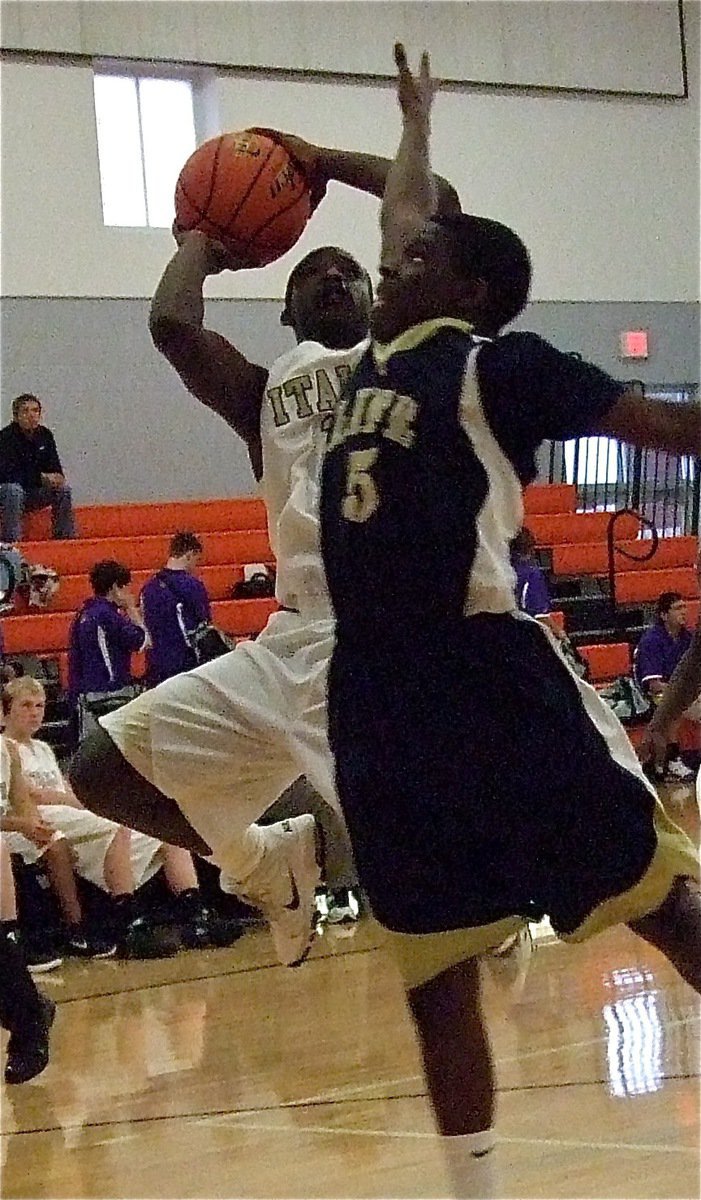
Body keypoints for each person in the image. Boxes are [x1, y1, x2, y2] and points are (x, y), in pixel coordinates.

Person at [318, 44, 700, 1196]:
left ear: (468, 286)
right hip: (373, 691)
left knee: (653, 900)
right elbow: (400, 206)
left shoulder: (496, 363)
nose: (395, 261)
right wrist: (414, 121)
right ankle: (473, 1190)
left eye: (419, 255)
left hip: (483, 675)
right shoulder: (378, 351)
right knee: (430, 963)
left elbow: (657, 426)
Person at [66, 131, 460, 969]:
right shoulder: (260, 393)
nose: (331, 277)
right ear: (284, 311)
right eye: (309, 273)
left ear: (378, 293)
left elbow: (439, 211)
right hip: (291, 638)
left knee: (421, 877)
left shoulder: (408, 357)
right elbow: (172, 322)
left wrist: (319, 159)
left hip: (394, 632)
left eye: (347, 270)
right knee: (99, 770)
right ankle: (262, 864)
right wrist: (202, 238)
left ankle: (488, 894)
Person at [3, 675, 224, 956]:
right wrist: (81, 803)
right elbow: (32, 796)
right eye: (26, 706)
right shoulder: (7, 748)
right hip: (42, 816)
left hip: (69, 813)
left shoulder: (44, 749)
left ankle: (195, 911)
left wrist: (78, 801)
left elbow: (62, 787)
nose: (35, 713)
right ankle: (127, 918)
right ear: (6, 710)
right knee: (116, 824)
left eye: (40, 705)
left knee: (164, 831)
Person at [0, 734, 56, 1084]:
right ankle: (31, 1009)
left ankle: (29, 1026)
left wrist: (32, 825)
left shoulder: (8, 751)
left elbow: (21, 803)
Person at [634, 591, 699, 781]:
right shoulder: (652, 641)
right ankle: (672, 760)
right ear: (663, 615)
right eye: (678, 608)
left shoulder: (688, 638)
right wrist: (684, 691)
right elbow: (654, 685)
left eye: (685, 607)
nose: (684, 612)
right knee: (674, 707)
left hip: (684, 688)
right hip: (654, 693)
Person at [68, 559, 148, 706]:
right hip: (108, 693)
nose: (129, 593)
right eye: (126, 588)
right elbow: (141, 641)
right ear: (115, 588)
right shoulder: (108, 615)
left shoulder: (84, 612)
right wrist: (132, 610)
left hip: (85, 691)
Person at [0, 393, 76, 542]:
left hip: (34, 491)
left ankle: (65, 540)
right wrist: (40, 478)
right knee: (13, 491)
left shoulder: (45, 435)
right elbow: (8, 475)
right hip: (7, 493)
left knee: (64, 490)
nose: (31, 415)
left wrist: (57, 478)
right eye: (26, 411)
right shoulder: (5, 438)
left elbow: (55, 468)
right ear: (16, 416)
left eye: (35, 411)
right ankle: (12, 542)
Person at [140, 531, 210, 684]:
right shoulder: (193, 585)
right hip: (186, 663)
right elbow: (204, 622)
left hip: (156, 665)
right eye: (196, 561)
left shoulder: (148, 588)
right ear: (190, 554)